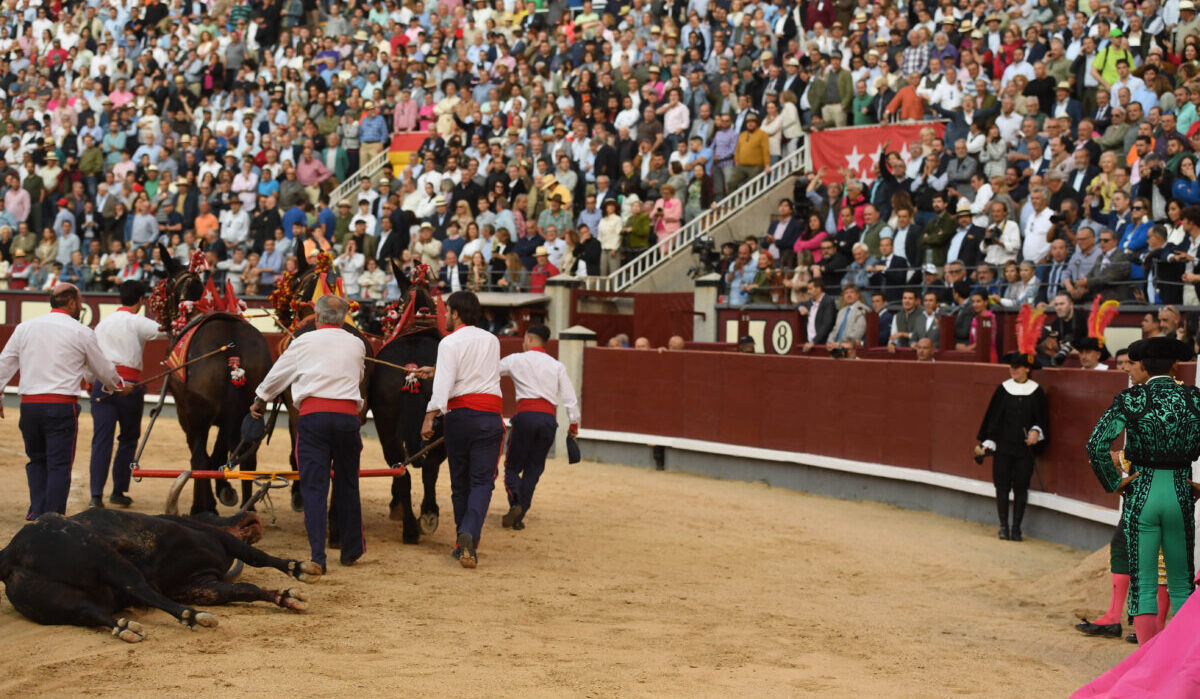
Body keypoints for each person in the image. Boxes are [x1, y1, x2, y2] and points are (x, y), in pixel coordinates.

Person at [1085, 337, 1200, 645]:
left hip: (1143, 492)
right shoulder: (1195, 398)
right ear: (1174, 365)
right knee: (1181, 583)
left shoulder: (1132, 399)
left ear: (1145, 367)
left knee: (1144, 584)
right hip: (1180, 493)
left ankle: (1146, 657)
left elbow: (1096, 445)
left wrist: (1114, 482)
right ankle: (1180, 659)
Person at [250, 295, 365, 572]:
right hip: (347, 418)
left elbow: (277, 376)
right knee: (348, 483)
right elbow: (359, 376)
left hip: (314, 418)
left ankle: (318, 557)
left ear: (318, 316)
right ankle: (351, 549)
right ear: (343, 318)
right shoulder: (357, 343)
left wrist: (260, 400)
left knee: (314, 487)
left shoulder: (302, 342)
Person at [0, 284, 124, 518]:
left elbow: (4, 364)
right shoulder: (81, 331)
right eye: (80, 302)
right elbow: (103, 369)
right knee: (59, 464)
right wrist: (118, 386)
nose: (81, 306)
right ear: (71, 303)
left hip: (29, 406)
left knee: (36, 460)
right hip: (61, 406)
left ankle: (38, 513)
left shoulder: (24, 328)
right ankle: (53, 518)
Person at [417, 291, 504, 569]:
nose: (444, 316)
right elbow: (477, 371)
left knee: (460, 482)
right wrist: (437, 368)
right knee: (482, 482)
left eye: (447, 311)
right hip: (488, 416)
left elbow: (445, 385)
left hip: (459, 417)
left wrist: (429, 416)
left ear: (455, 313)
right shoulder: (492, 340)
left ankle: (461, 541)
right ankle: (469, 535)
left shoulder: (449, 342)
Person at [88, 280, 163, 509]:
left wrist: (91, 382)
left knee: (101, 439)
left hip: (102, 384)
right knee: (128, 438)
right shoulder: (138, 321)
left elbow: (91, 356)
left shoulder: (102, 324)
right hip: (129, 385)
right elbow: (167, 332)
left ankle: (96, 495)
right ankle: (118, 491)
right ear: (141, 300)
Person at [498, 324, 580, 530]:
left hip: (526, 417)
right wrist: (573, 424)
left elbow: (490, 372)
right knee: (534, 469)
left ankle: (516, 501)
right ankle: (519, 515)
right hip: (548, 421)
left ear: (529, 338)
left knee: (512, 467)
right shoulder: (556, 365)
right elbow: (570, 398)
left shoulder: (516, 359)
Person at [975, 352, 1048, 542]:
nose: (1013, 370)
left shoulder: (1037, 391)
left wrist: (1036, 431)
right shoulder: (1003, 389)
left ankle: (1016, 528)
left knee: (1021, 487)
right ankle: (1003, 527)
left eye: (1017, 366)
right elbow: (993, 419)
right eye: (1011, 366)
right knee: (1002, 486)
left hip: (1024, 450)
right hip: (1003, 447)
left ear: (1027, 369)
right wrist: (988, 442)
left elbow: (1042, 419)